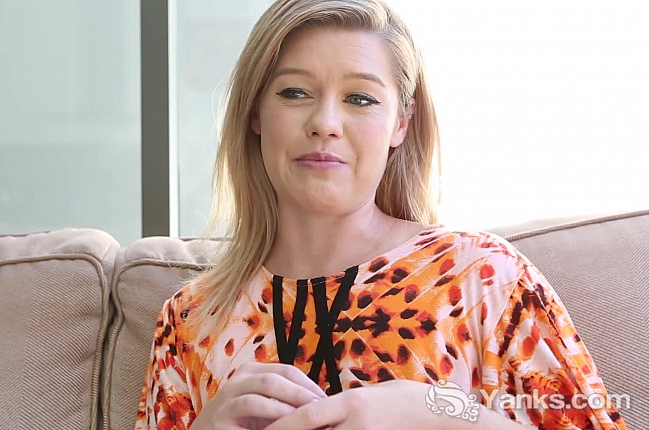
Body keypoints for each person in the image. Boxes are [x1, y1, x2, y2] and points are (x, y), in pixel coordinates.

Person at [135, 0, 628, 428]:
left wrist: (445, 414)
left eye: (360, 98)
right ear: (255, 113)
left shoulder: (485, 277)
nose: (325, 123)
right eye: (294, 92)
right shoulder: (190, 320)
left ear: (400, 123)